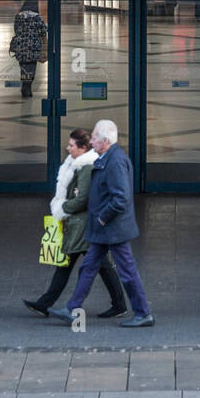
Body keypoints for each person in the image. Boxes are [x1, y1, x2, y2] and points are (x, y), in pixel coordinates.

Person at [49, 119, 154, 328]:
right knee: (88, 267)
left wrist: (101, 217)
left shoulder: (115, 162)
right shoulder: (107, 157)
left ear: (105, 141)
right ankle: (72, 308)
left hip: (113, 229)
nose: (92, 140)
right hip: (105, 229)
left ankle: (143, 313)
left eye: (95, 137)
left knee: (127, 271)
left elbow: (121, 199)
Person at [24, 129, 126, 319]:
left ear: (83, 148)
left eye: (71, 145)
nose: (67, 148)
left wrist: (61, 208)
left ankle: (47, 304)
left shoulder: (85, 168)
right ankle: (44, 304)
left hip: (83, 225)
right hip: (80, 225)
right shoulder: (75, 165)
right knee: (77, 265)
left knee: (91, 265)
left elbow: (83, 199)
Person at [9, 0, 48, 98]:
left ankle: (24, 86)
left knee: (23, 68)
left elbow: (16, 30)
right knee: (31, 67)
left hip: (21, 47)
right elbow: (43, 31)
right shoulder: (37, 18)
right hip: (33, 47)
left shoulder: (18, 17)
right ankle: (28, 87)